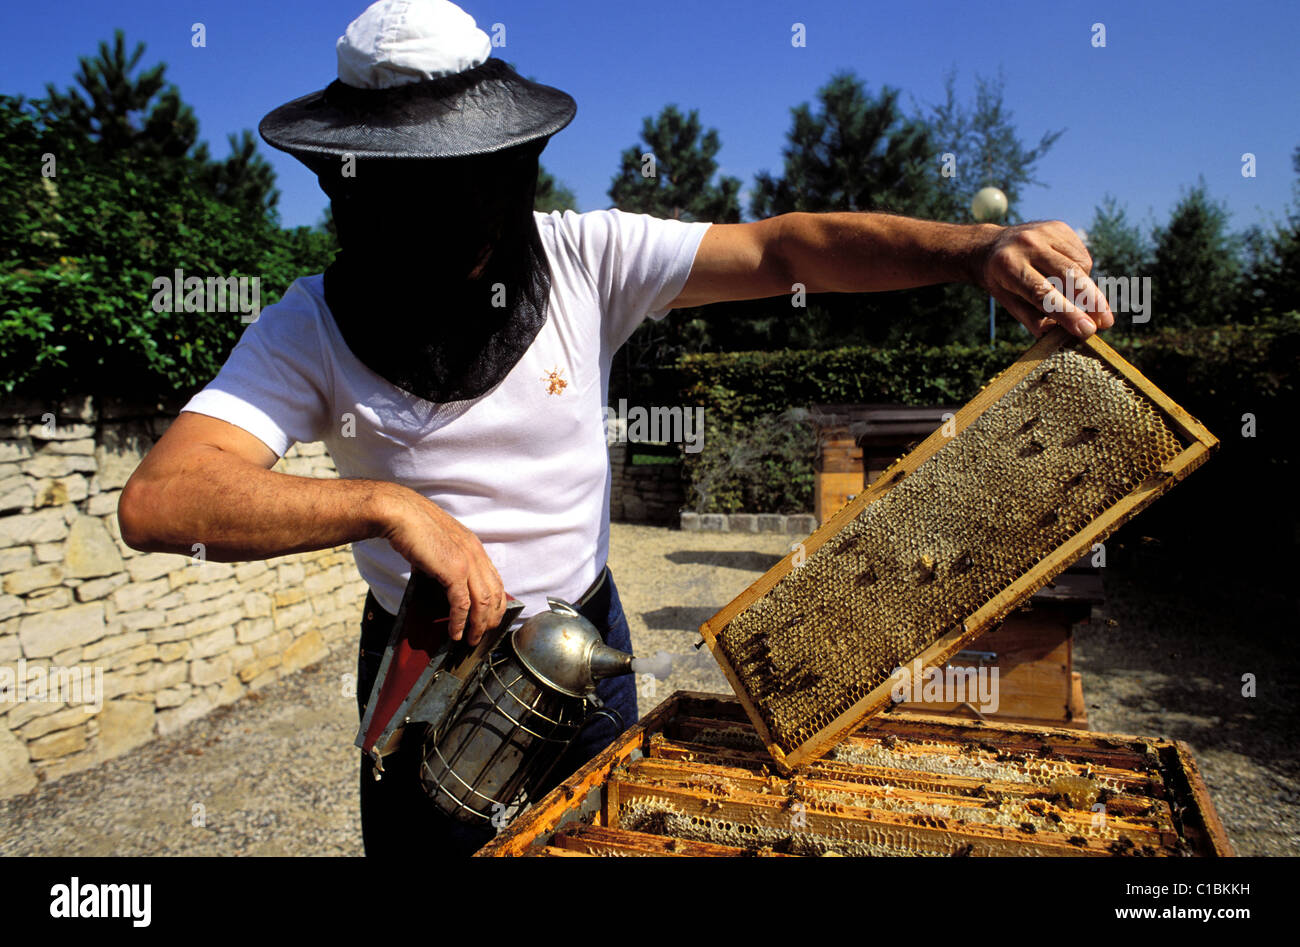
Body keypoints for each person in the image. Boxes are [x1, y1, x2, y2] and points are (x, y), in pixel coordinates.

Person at [117, 0, 1114, 856]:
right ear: (352, 188)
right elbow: (165, 495)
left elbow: (780, 249)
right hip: (424, 661)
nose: (450, 232)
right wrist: (384, 505)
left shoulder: (589, 256)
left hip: (585, 640)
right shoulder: (306, 322)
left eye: (467, 189)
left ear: (507, 165)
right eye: (411, 198)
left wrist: (975, 248)